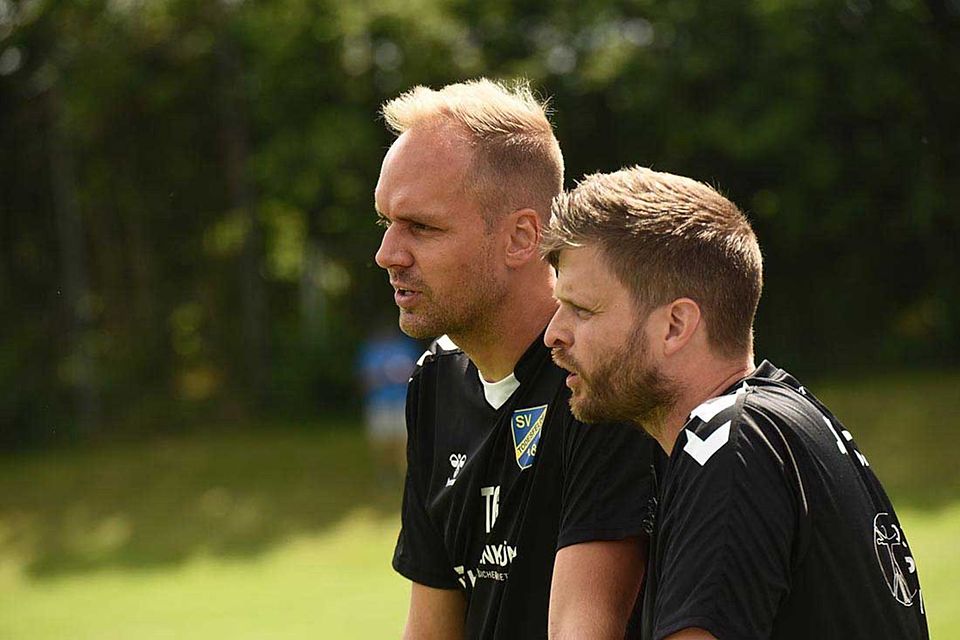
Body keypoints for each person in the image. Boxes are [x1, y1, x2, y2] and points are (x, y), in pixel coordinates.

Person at [541, 166, 930, 640]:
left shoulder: (729, 444)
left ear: (675, 326)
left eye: (582, 309)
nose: (553, 334)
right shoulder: (786, 422)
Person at [374, 79, 659, 639]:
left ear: (522, 238)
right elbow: (431, 628)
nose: (387, 254)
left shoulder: (603, 380)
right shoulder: (435, 381)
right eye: (386, 222)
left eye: (422, 227)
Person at [355, 326, 422, 482]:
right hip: (380, 402)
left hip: (402, 401)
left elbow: (417, 372)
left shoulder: (406, 347)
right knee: (382, 442)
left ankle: (406, 475)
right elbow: (364, 379)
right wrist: (384, 377)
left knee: (405, 441)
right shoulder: (371, 350)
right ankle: (385, 474)